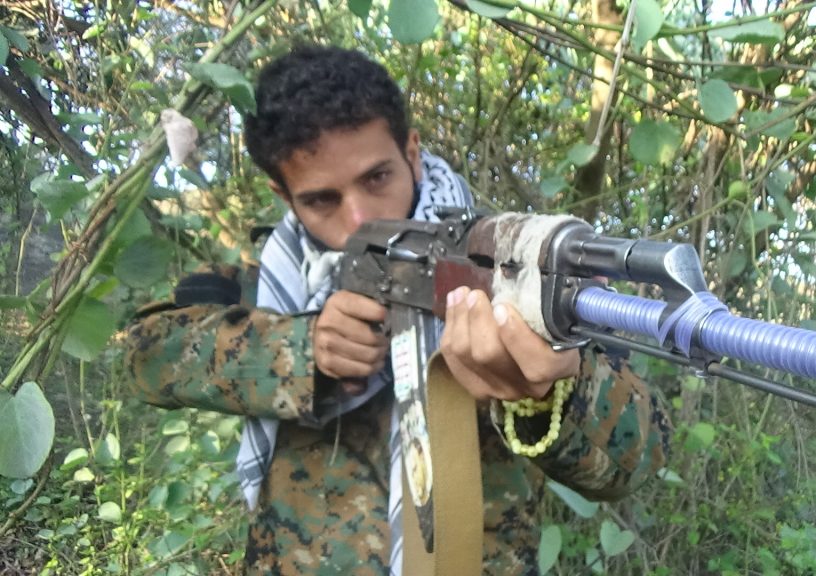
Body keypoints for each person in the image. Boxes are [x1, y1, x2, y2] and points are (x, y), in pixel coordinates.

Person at [125, 44, 670, 575]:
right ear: (284, 194)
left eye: (376, 177)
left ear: (411, 152)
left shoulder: (505, 268)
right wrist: (301, 349)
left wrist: (550, 391)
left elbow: (641, 458)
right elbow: (144, 356)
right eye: (322, 199)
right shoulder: (265, 285)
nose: (359, 218)